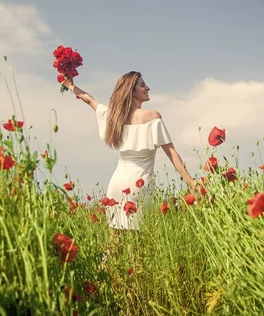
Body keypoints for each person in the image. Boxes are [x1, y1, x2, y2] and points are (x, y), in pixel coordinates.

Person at [61, 71, 198, 231]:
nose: (148, 88)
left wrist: (71, 86)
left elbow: (90, 101)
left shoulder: (114, 118)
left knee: (115, 242)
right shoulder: (152, 116)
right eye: (142, 85)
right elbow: (171, 153)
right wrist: (191, 182)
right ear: (131, 91)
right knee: (139, 243)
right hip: (139, 186)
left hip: (117, 184)